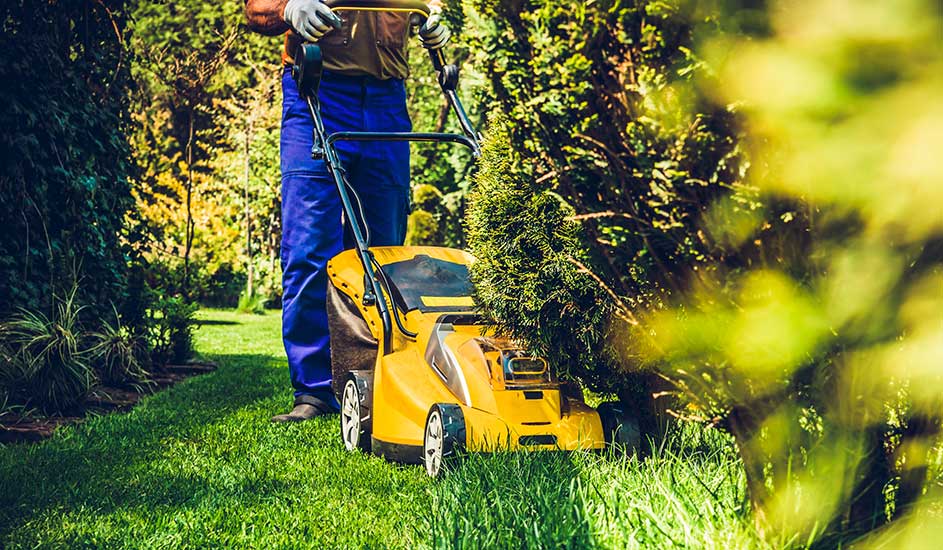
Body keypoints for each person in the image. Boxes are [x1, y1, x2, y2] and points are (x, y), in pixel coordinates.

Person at [245, 0, 450, 421]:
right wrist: (289, 8)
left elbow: (431, 4)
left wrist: (432, 17)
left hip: (386, 99)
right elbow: (255, 9)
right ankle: (315, 391)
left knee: (384, 250)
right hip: (317, 91)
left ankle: (376, 381)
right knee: (308, 246)